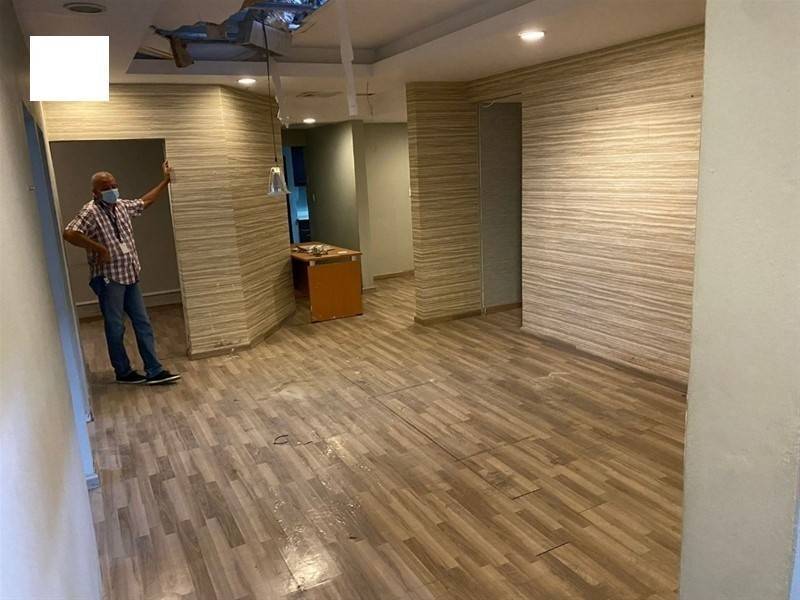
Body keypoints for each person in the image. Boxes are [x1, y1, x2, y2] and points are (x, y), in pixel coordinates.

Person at [63, 161, 181, 385]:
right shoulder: (90, 211)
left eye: (114, 186)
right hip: (108, 278)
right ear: (95, 192)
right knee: (116, 326)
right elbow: (70, 233)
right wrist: (99, 249)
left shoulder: (121, 206)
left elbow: (145, 202)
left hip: (130, 274)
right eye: (106, 188)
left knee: (142, 322)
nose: (112, 190)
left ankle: (154, 370)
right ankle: (123, 372)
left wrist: (165, 181)